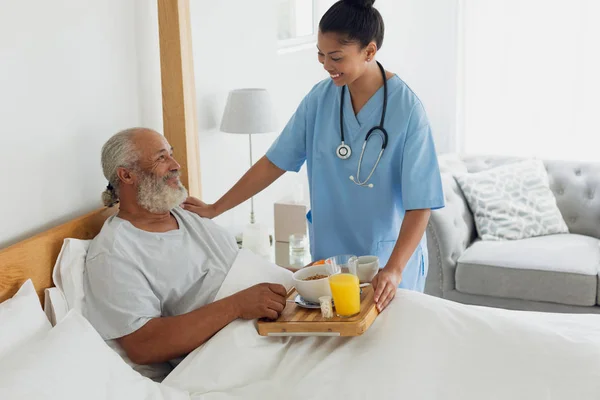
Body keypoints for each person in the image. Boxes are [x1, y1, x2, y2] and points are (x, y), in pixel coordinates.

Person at [182, 0, 445, 312]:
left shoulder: (407, 111)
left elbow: (421, 204)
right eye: (320, 54)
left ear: (370, 52)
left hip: (386, 267)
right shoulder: (319, 100)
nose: (326, 64)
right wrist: (215, 208)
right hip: (330, 263)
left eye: (336, 57)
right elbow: (273, 163)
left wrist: (395, 269)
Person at [82, 127, 288, 367]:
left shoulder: (188, 214)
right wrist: (237, 305)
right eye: (161, 158)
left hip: (278, 321)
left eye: (171, 154)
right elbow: (143, 345)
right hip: (232, 351)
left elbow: (239, 267)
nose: (176, 165)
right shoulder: (114, 252)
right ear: (127, 176)